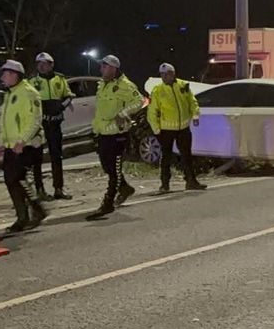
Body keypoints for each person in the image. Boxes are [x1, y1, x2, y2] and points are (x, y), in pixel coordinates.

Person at [86, 55, 142, 220]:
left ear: (113, 68)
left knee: (114, 171)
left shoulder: (125, 85)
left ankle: (107, 203)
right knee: (107, 167)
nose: (101, 69)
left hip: (118, 134)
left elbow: (139, 101)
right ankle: (125, 188)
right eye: (101, 66)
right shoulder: (102, 85)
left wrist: (123, 113)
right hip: (103, 133)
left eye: (104, 67)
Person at [0, 60, 49, 232]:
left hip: (25, 146)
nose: (2, 77)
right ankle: (29, 213)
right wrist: (2, 142)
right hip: (12, 145)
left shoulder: (28, 93)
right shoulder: (10, 93)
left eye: (4, 74)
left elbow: (35, 120)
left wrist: (22, 141)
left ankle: (30, 213)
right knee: (12, 180)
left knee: (17, 179)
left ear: (14, 75)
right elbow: (5, 122)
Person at [147, 63, 205, 194]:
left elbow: (192, 102)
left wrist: (195, 115)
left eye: (166, 74)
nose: (164, 76)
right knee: (166, 157)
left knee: (187, 156)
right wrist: (156, 130)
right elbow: (152, 112)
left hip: (183, 128)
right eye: (162, 74)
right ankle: (165, 185)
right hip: (166, 130)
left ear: (173, 74)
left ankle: (191, 181)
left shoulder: (183, 85)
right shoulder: (157, 90)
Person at [29, 52, 74, 201]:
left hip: (55, 123)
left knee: (57, 156)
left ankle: (58, 188)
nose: (41, 66)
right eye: (39, 63)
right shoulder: (32, 81)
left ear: (51, 64)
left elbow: (68, 96)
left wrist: (61, 106)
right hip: (39, 125)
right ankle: (39, 189)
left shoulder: (60, 79)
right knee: (37, 158)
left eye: (44, 63)